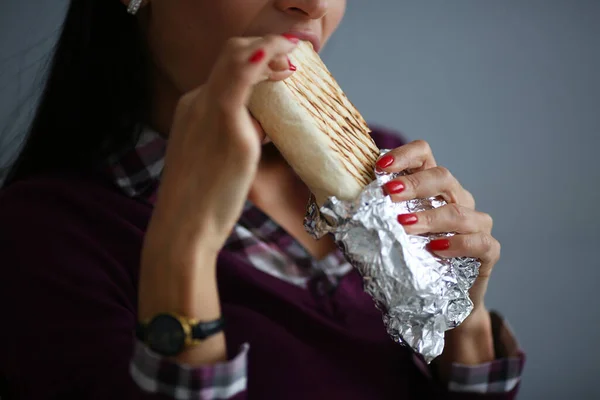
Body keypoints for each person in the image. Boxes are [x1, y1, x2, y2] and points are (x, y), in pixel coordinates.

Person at [0, 1, 525, 399]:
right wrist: (185, 242)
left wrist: (463, 317)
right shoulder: (37, 236)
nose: (313, 4)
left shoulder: (382, 171)